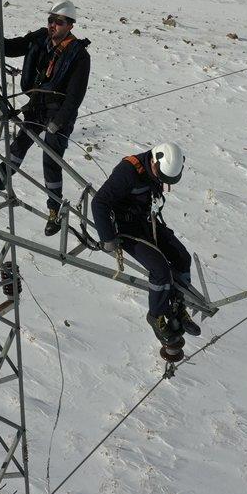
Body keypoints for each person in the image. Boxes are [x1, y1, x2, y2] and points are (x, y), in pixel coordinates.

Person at [0, 0, 91, 236]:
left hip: (59, 111)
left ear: (70, 26)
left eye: (58, 22)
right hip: (37, 105)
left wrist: (58, 122)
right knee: (19, 144)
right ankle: (0, 178)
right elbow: (14, 47)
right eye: (51, 20)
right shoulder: (40, 38)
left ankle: (54, 209)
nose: (53, 25)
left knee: (51, 158)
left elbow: (75, 96)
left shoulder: (79, 56)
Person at [91, 142, 201, 343]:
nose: (162, 181)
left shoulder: (156, 169)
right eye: (162, 176)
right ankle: (156, 315)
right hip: (126, 229)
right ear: (154, 162)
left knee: (182, 258)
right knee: (160, 270)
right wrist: (107, 238)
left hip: (146, 222)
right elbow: (99, 202)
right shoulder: (128, 171)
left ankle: (178, 306)